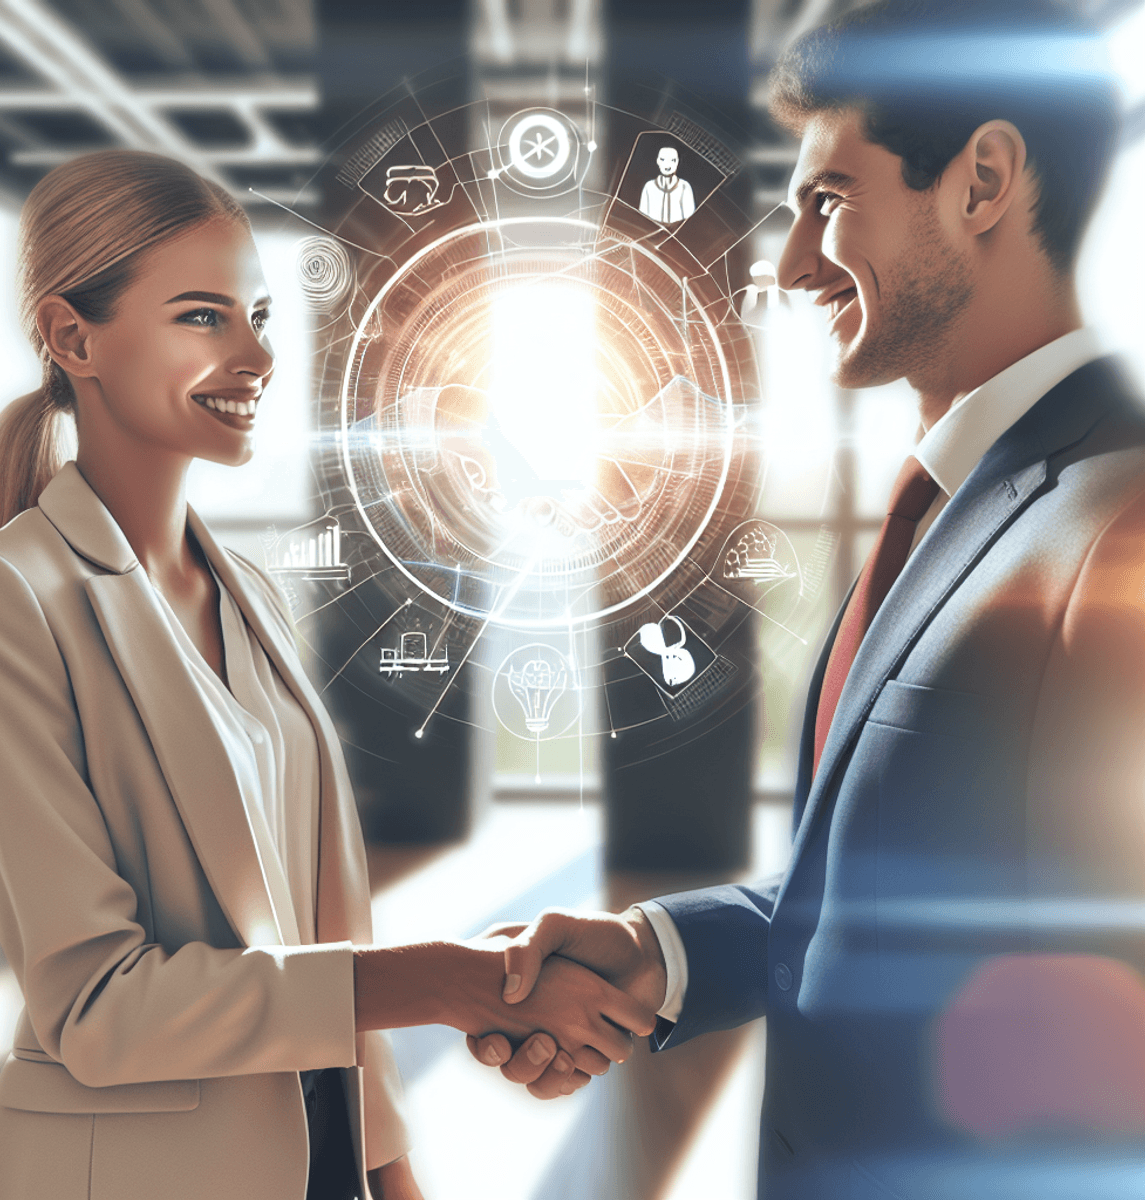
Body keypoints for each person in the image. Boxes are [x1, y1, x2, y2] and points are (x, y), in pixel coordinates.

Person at [473, 1, 1145, 1195]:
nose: (789, 268)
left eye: (827, 204)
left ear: (982, 181)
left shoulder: (1118, 520)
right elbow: (876, 890)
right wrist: (653, 954)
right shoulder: (955, 506)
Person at [0, 149, 654, 1200]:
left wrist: (391, 1173)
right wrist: (453, 983)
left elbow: (320, 943)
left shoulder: (252, 599)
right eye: (203, 316)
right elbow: (99, 1008)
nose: (256, 355)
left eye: (260, 316)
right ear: (70, 335)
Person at [639, 146, 696, 224]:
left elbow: (689, 219)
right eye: (663, 159)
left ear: (677, 162)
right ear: (657, 161)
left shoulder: (684, 187)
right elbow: (642, 216)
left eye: (673, 160)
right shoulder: (649, 187)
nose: (667, 164)